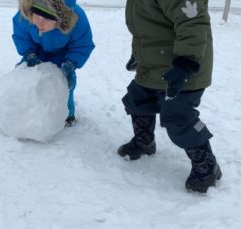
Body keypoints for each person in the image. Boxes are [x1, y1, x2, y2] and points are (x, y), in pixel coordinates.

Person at [118, 0, 222, 193]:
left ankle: (207, 164)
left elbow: (193, 21)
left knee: (178, 117)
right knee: (137, 98)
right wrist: (138, 55)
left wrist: (186, 63)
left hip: (185, 68)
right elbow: (145, 28)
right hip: (153, 65)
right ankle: (144, 142)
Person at [12, 0, 95, 126]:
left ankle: (66, 115)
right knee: (27, 79)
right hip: (36, 51)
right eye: (37, 15)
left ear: (61, 19)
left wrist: (70, 63)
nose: (40, 22)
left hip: (63, 54)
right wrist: (29, 54)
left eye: (47, 18)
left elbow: (81, 45)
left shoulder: (77, 19)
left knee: (63, 84)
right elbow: (22, 36)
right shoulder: (25, 15)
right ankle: (26, 111)